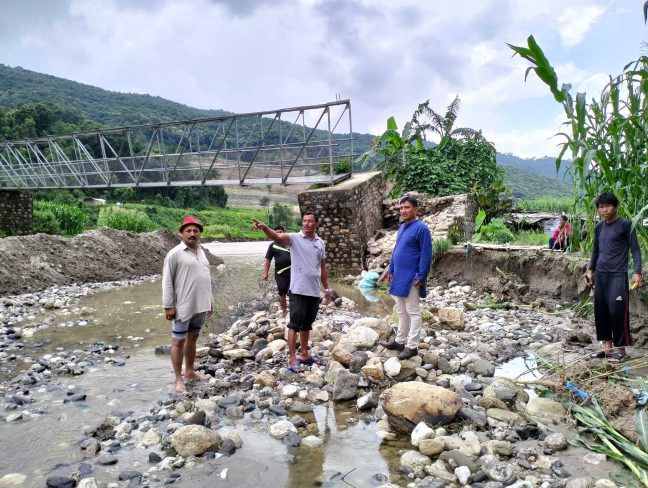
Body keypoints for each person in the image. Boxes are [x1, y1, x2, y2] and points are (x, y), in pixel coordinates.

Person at [252, 212, 332, 372]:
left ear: (317, 223)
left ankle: (304, 354)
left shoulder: (320, 243)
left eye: (310, 221)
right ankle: (292, 359)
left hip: (314, 291)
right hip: (298, 289)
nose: (306, 224)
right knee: (294, 324)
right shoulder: (295, 238)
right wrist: (265, 228)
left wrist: (327, 288)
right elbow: (277, 237)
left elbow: (322, 267)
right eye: (304, 221)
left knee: (307, 325)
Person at [587, 192, 643, 363]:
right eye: (601, 207)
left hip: (618, 276)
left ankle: (621, 351)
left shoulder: (626, 225)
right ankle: (608, 350)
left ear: (616, 207)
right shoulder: (599, 227)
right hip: (601, 276)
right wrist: (591, 269)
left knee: (617, 312)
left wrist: (637, 272)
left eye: (608, 206)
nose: (604, 210)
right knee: (601, 312)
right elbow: (596, 251)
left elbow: (635, 250)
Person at [162, 216, 213, 392]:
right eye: (188, 231)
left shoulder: (202, 252)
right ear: (182, 233)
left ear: (200, 233)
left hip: (201, 305)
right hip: (183, 306)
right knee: (178, 341)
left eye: (196, 231)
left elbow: (207, 278)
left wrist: (210, 302)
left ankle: (190, 372)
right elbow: (167, 281)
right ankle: (178, 379)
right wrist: (168, 306)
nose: (192, 234)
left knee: (193, 338)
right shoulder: (175, 254)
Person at [380, 195, 432, 360]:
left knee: (413, 312)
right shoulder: (402, 227)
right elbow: (396, 250)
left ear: (415, 209)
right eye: (401, 208)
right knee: (401, 310)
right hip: (398, 274)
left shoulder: (421, 228)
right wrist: (391, 269)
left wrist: (421, 275)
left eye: (407, 207)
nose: (403, 210)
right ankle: (400, 340)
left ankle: (412, 346)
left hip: (411, 276)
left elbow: (426, 254)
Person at [263, 225, 291, 318]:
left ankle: (295, 309)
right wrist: (265, 273)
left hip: (294, 272)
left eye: (280, 232)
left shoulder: (290, 243)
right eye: (277, 232)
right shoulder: (272, 245)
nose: (279, 233)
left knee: (293, 292)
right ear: (273, 234)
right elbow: (268, 260)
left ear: (284, 233)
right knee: (282, 292)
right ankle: (284, 311)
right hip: (280, 273)